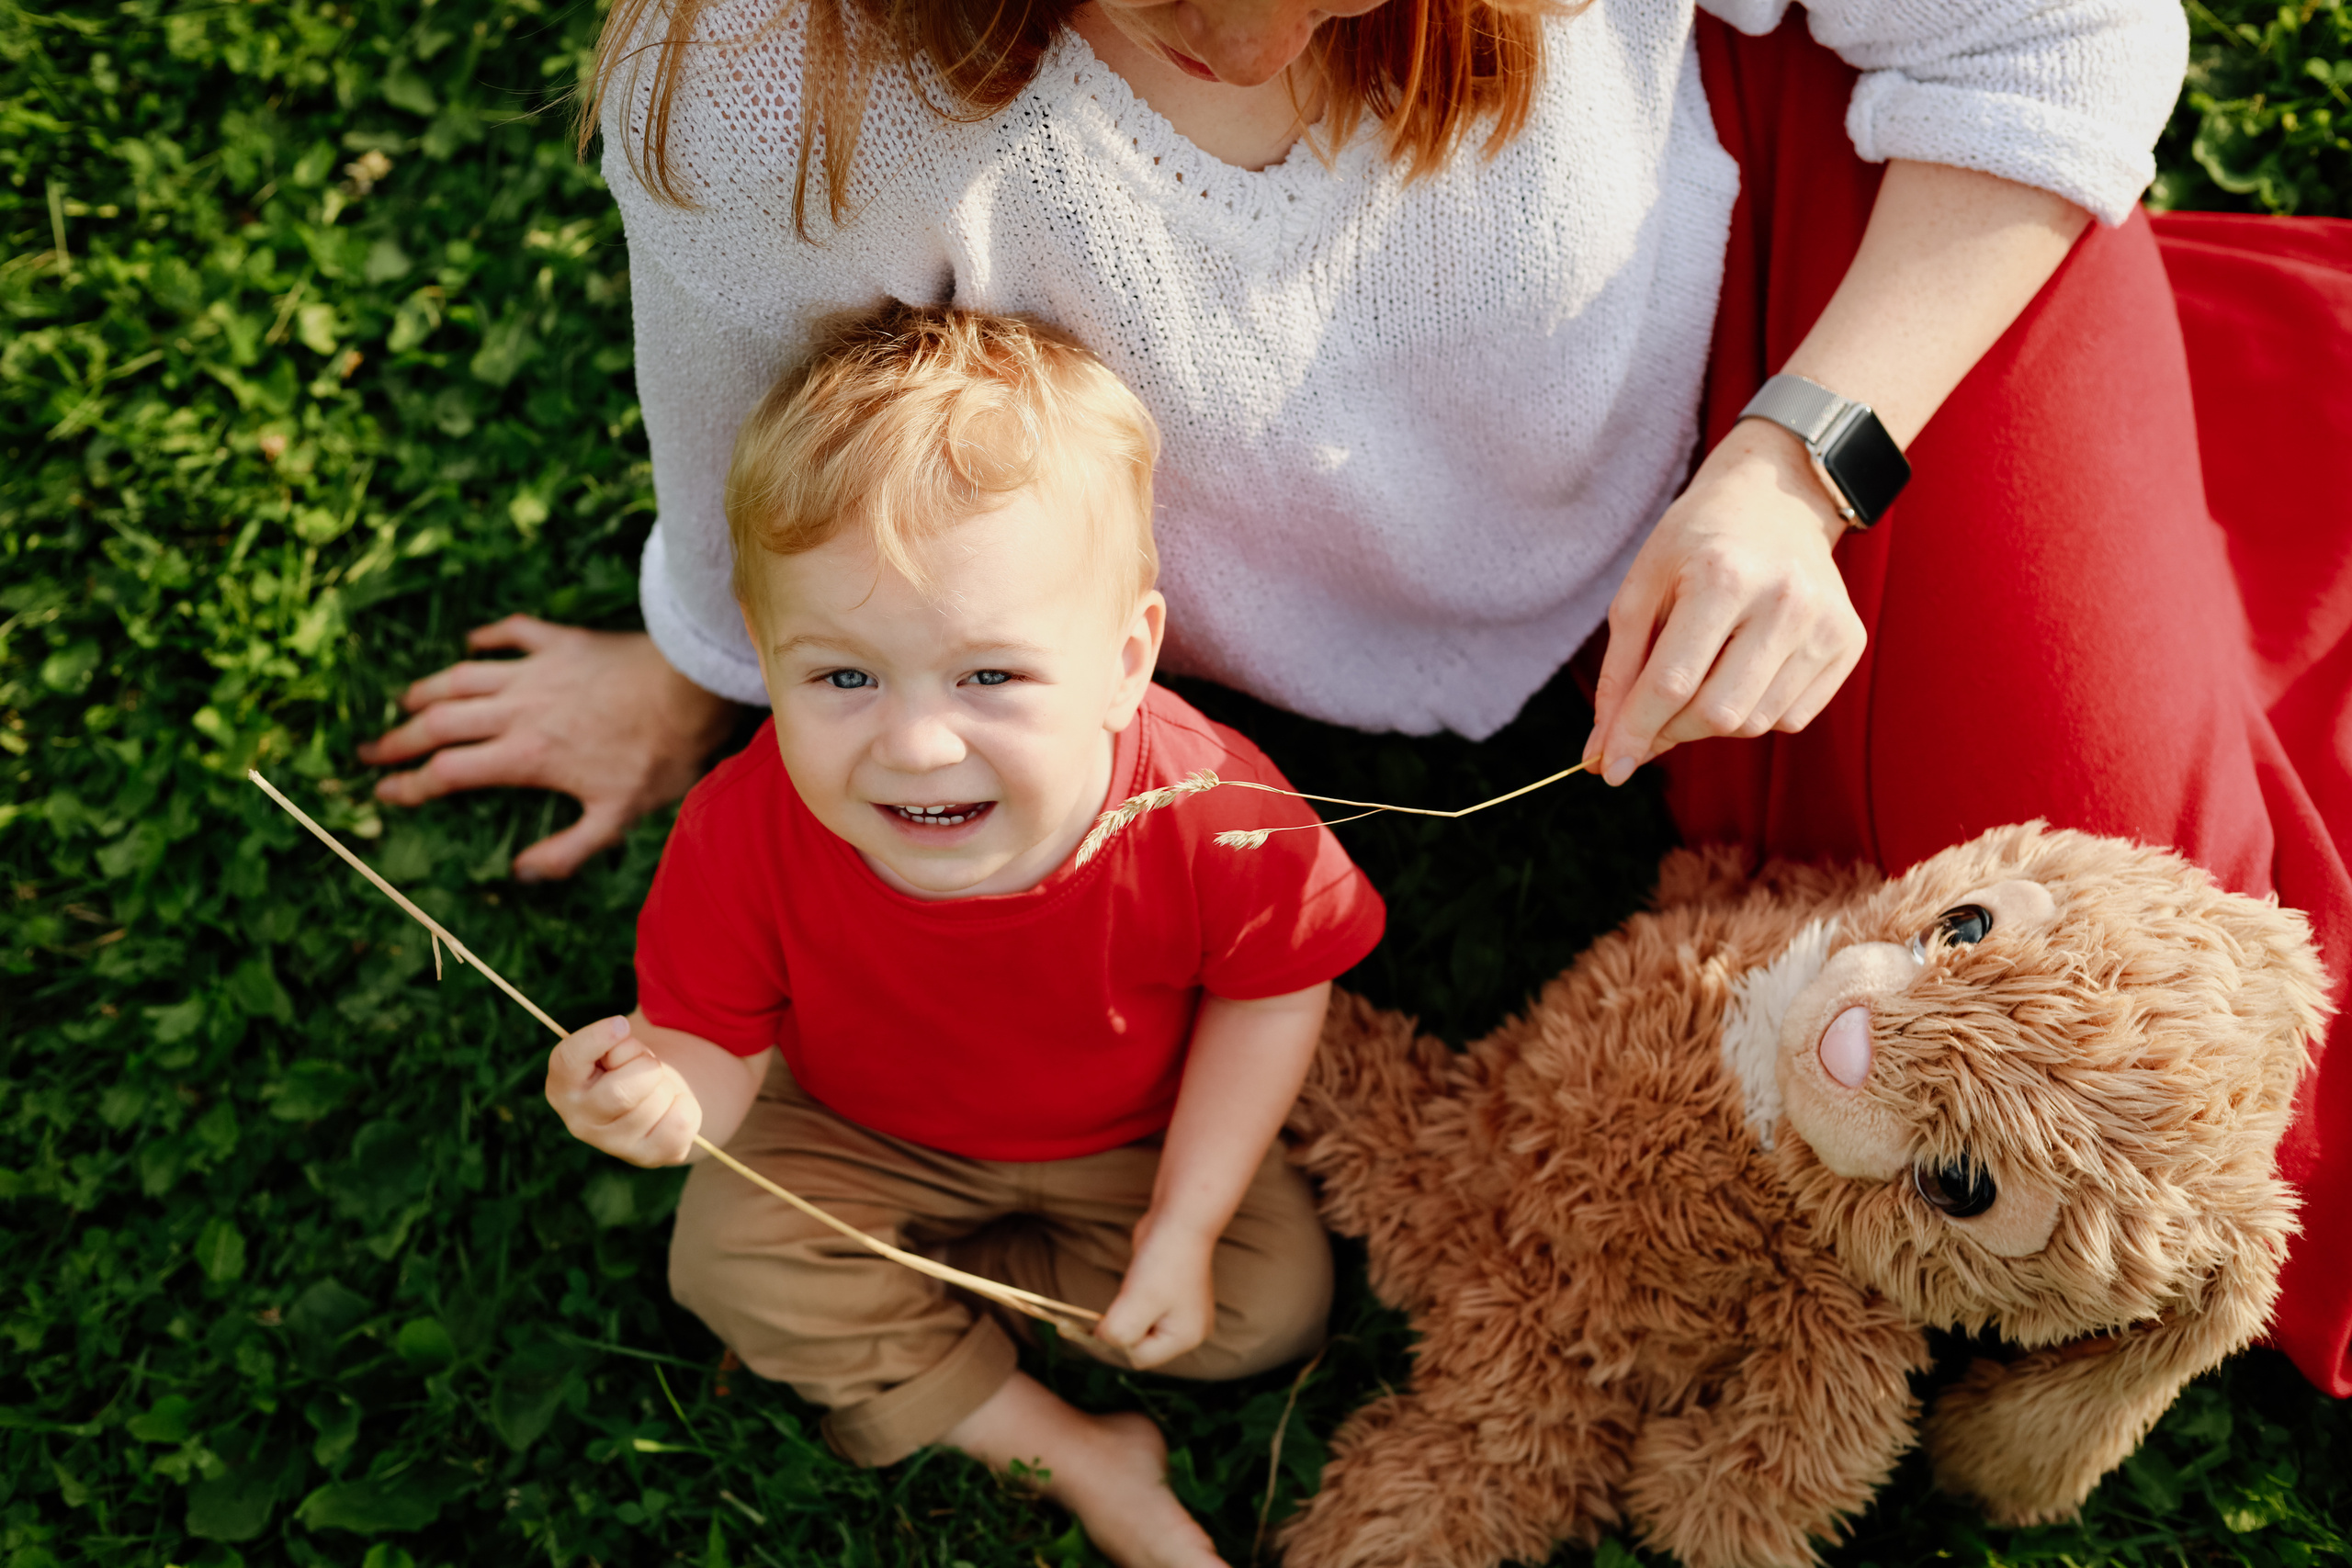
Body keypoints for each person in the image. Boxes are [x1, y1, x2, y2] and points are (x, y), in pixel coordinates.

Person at [368, 1, 2352, 1392]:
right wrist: (698, 662)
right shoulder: (771, 71)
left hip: (1776, 274)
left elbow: (2041, 37)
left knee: (2136, 989)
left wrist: (1801, 455)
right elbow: (764, 406)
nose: (1234, 44)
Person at [541, 304, 1385, 1568]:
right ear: (764, 660)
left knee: (1270, 1306)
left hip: (1130, 1137)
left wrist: (1184, 1226)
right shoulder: (746, 830)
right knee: (726, 1258)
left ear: (1125, 661)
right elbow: (711, 1059)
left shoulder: (1208, 806)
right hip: (857, 1131)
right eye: (841, 678)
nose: (918, 744)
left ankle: (953, 1293)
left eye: (989, 676)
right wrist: (657, 1100)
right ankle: (1073, 1448)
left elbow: (1273, 990)